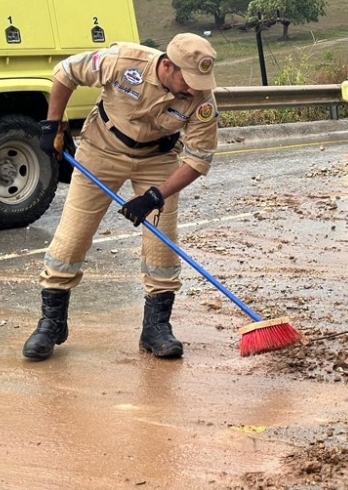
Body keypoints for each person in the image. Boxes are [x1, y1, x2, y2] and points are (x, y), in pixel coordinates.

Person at [22, 34, 220, 361]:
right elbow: (65, 73)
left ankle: (156, 328)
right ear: (168, 66)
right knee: (72, 238)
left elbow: (199, 158)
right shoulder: (123, 62)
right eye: (189, 80)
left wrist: (156, 196)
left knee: (162, 242)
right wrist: (53, 125)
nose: (194, 89)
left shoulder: (202, 100)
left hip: (157, 159)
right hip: (101, 149)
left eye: (201, 82)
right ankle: (51, 323)